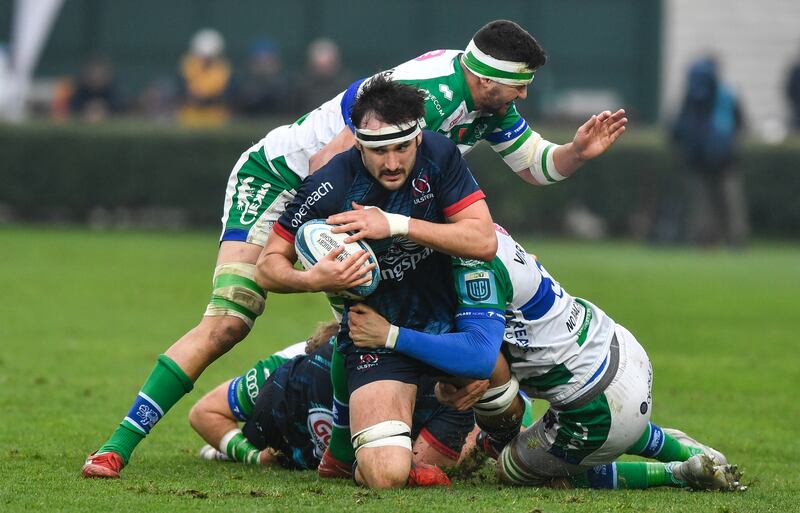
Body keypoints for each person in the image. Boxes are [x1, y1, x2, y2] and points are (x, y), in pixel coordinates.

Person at [82, 19, 624, 479]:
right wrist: (324, 264)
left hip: (352, 205)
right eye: (520, 85)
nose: (525, 96)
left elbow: (535, 165)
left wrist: (576, 152)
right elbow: (334, 171)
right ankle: (117, 445)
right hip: (282, 182)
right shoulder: (431, 97)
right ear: (486, 77)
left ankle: (353, 450)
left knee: (388, 303)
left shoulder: (485, 101)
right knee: (231, 320)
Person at [348, 224, 744, 492]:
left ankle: (677, 473)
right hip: (617, 346)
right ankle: (696, 454)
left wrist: (390, 335)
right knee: (604, 423)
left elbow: (481, 357)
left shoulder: (469, 263)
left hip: (595, 401)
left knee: (513, 468)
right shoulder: (486, 231)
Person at [256, 75, 497, 489]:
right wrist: (313, 278)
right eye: (378, 151)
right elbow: (267, 265)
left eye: (402, 148)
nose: (391, 162)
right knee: (385, 476)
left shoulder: (441, 156)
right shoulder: (331, 184)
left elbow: (483, 240)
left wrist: (396, 225)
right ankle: (355, 446)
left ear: (418, 139)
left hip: (453, 330)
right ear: (358, 145)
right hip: (376, 342)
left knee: (501, 401)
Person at [188, 321, 475, 482]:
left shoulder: (395, 375)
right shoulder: (280, 372)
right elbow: (204, 413)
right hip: (277, 434)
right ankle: (226, 449)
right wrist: (252, 457)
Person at [671, 57, 748, 248]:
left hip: (702, 161)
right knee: (727, 201)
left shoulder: (692, 97)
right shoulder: (727, 95)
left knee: (704, 203)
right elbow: (741, 125)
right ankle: (733, 240)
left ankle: (707, 241)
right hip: (722, 160)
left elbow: (676, 129)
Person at [177, 28, 234, 127]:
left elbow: (221, 93)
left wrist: (203, 98)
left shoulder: (222, 68)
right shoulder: (189, 64)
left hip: (215, 118)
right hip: (189, 117)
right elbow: (184, 90)